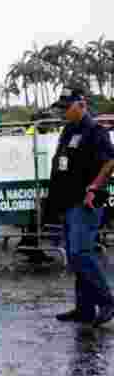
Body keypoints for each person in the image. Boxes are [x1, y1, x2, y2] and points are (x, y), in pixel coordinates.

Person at [48, 88, 114, 327]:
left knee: (80, 253)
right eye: (62, 107)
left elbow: (109, 161)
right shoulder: (68, 130)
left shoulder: (95, 131)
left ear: (81, 104)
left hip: (85, 201)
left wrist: (94, 188)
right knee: (75, 257)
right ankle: (84, 309)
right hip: (68, 201)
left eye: (67, 107)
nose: (64, 111)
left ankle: (107, 301)